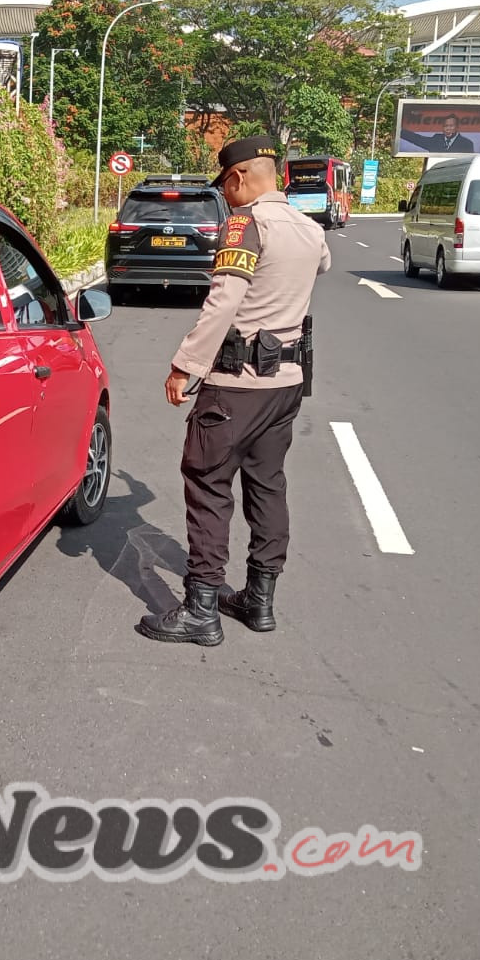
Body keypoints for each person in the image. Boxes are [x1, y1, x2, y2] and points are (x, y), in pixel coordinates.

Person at [137, 136, 331, 646]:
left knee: (207, 484)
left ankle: (201, 608)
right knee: (268, 485)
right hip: (285, 385)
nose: (225, 196)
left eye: (225, 184)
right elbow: (323, 265)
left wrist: (185, 366)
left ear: (240, 177)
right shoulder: (308, 228)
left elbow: (223, 302)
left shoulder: (246, 225)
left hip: (233, 387)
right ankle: (260, 600)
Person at [400, 113, 475, 153]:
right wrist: (399, 131)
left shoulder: (467, 144)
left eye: (451, 126)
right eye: (446, 126)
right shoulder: (436, 139)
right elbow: (417, 139)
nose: (448, 129)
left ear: (457, 127)